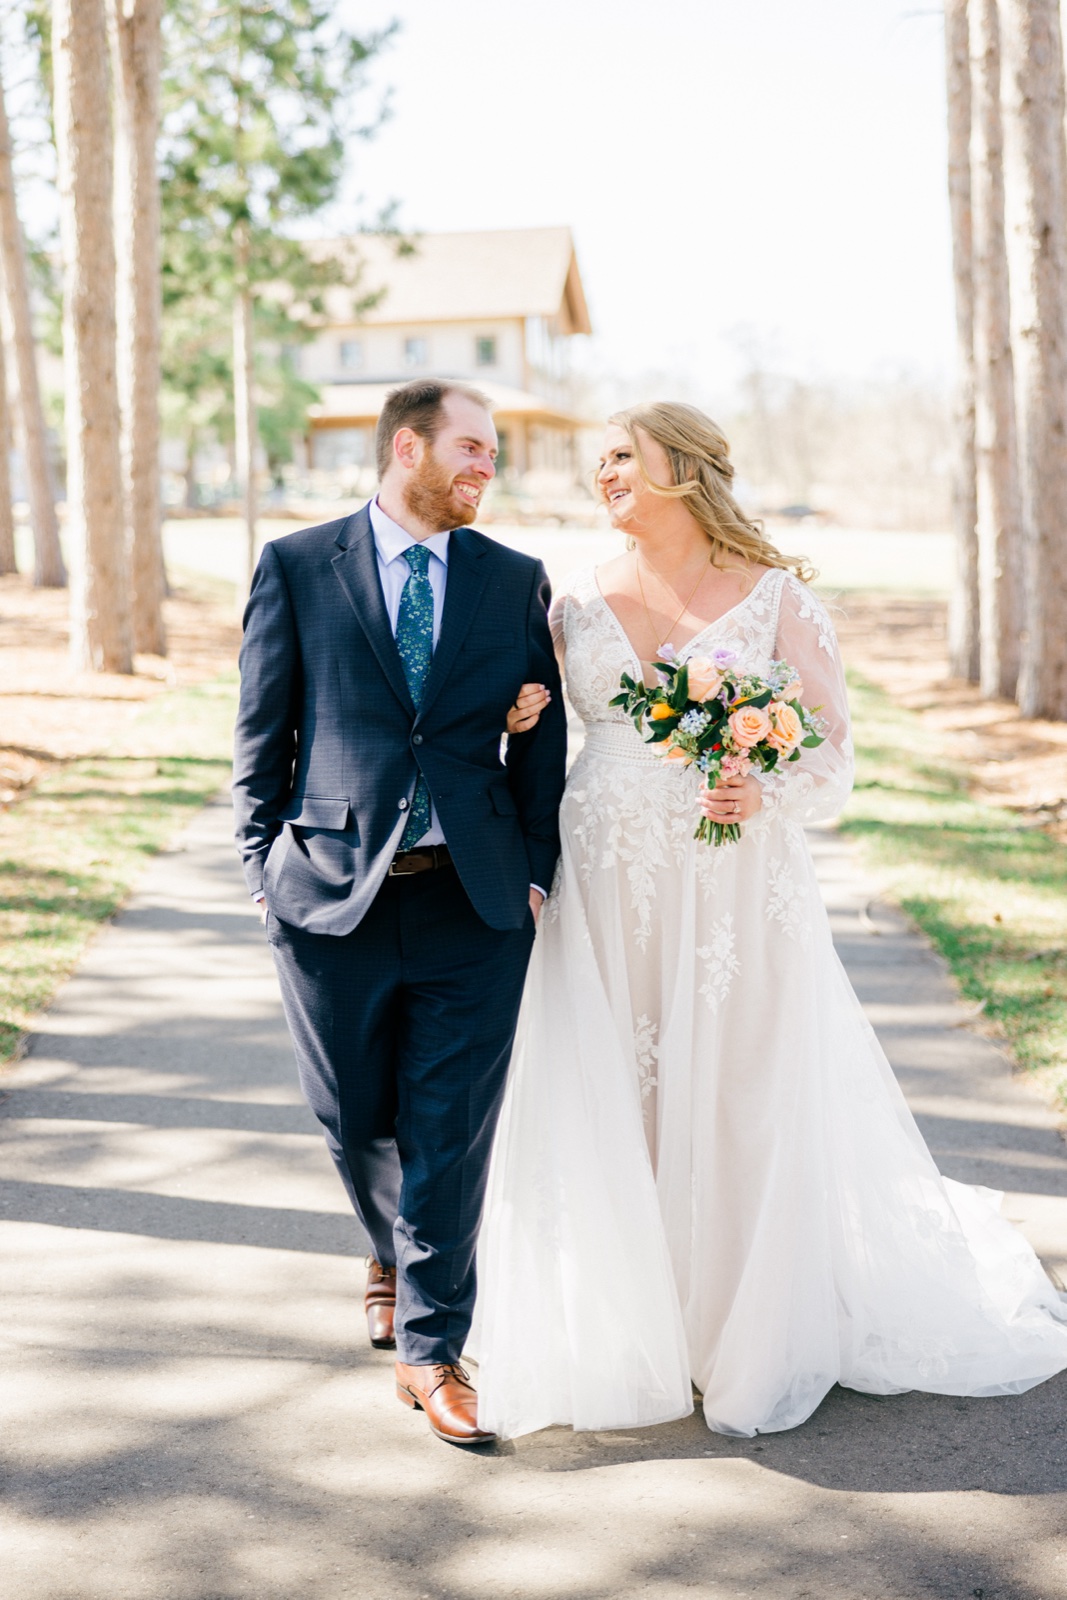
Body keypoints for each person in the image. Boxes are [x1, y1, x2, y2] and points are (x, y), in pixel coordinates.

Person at [472, 400, 1067, 1439]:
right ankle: (636, 1327)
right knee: (620, 1092)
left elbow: (832, 749)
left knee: (741, 1087)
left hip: (736, 883)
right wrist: (520, 705)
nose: (600, 474)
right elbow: (525, 719)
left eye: (619, 456)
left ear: (682, 467)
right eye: (594, 463)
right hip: (610, 888)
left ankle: (738, 1327)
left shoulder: (775, 597)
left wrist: (765, 787)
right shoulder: (569, 605)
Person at [233, 378, 567, 1446]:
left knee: (448, 1131)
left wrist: (534, 871)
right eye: (472, 446)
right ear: (407, 448)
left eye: (495, 451)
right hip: (328, 895)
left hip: (472, 899)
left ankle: (432, 1350)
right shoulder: (296, 565)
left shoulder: (513, 578)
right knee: (352, 1117)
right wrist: (260, 872)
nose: (488, 466)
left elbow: (540, 742)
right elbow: (261, 733)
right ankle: (387, 1243)